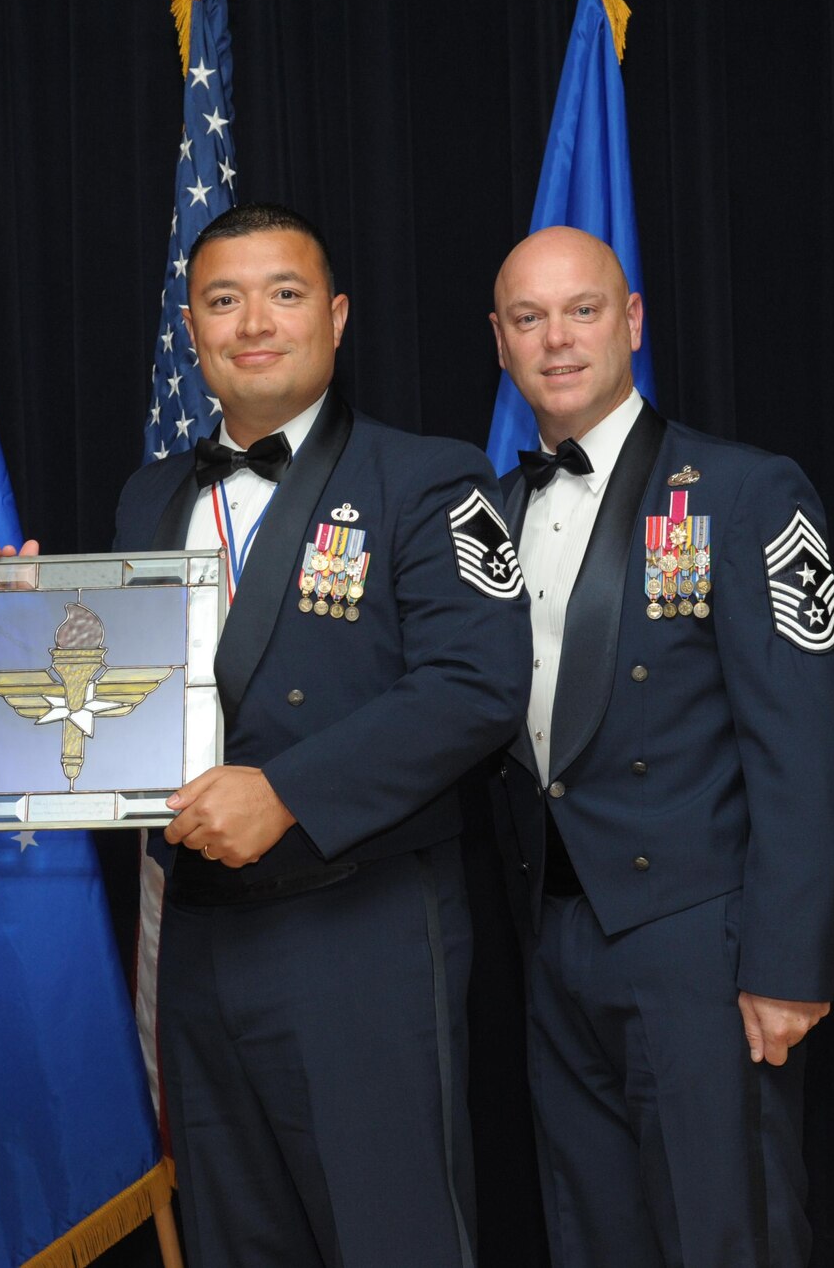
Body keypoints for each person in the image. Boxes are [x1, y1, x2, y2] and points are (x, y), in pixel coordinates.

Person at [110, 202, 532, 1266]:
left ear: (336, 318)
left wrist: (288, 789)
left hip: (363, 931)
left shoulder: (429, 478)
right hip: (198, 937)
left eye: (284, 293)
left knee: (388, 1236)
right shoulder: (147, 496)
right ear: (191, 329)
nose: (253, 320)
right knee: (234, 1239)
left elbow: (475, 686)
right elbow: (116, 687)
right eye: (221, 299)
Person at [485, 226, 834, 1267]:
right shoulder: (488, 513)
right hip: (551, 932)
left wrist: (788, 961)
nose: (555, 339)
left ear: (632, 320)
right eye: (528, 317)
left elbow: (809, 744)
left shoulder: (743, 492)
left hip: (703, 943)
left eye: (582, 310)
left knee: (723, 1232)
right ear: (499, 342)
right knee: (591, 1231)